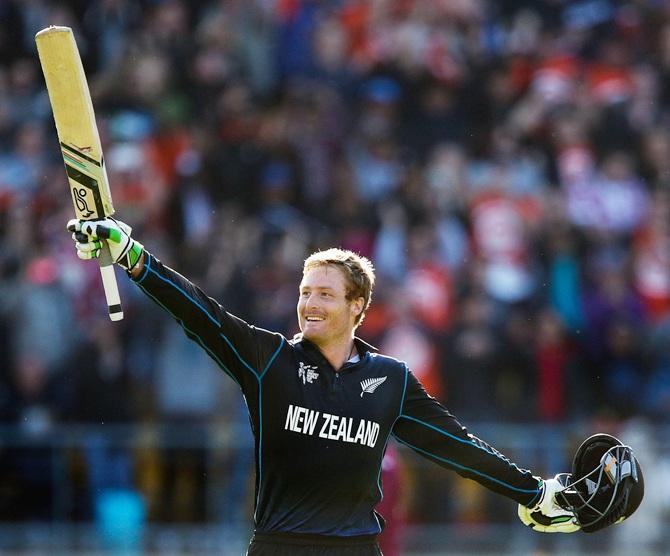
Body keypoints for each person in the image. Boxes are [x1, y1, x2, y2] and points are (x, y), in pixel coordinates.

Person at [67, 217, 580, 555]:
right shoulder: (270, 361)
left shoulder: (391, 380)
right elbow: (203, 315)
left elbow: (455, 446)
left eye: (325, 295)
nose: (309, 303)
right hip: (278, 546)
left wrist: (533, 491)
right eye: (305, 292)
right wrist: (134, 257)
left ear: (358, 306)